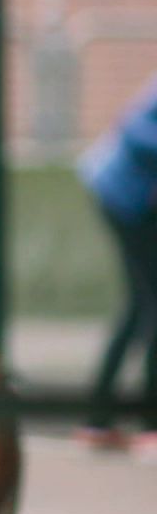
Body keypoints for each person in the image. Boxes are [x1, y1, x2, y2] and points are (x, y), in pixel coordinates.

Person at [76, 72, 157, 457]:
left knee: (140, 305)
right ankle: (149, 424)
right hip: (125, 200)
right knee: (152, 306)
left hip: (133, 202)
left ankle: (99, 418)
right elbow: (134, 130)